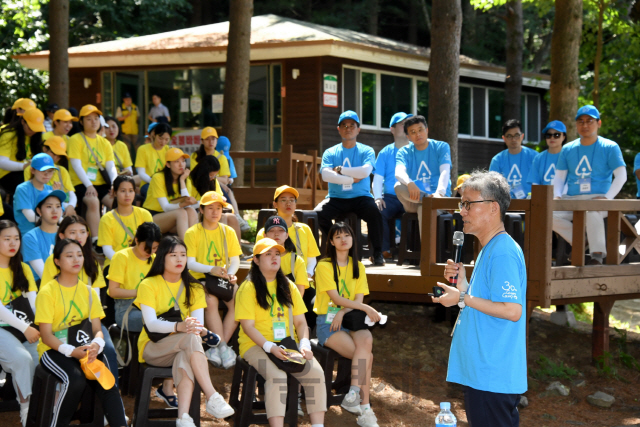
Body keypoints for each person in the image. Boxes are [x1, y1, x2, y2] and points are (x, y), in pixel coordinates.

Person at [432, 171, 527, 427]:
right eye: (461, 204)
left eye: (468, 204)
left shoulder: (503, 252)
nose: (462, 211)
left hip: (492, 375)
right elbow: (481, 303)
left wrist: (462, 296)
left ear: (493, 207)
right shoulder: (490, 248)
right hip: (483, 374)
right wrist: (463, 286)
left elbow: (511, 310)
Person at [135, 236, 235, 426]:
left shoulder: (195, 288)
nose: (180, 259)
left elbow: (197, 326)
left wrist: (193, 329)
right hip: (153, 348)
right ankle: (212, 396)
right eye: (173, 255)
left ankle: (183, 418)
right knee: (190, 338)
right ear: (162, 257)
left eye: (183, 255)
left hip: (184, 347)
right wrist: (178, 326)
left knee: (186, 354)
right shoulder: (148, 284)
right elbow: (151, 324)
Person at [35, 238, 127, 427]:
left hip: (84, 348)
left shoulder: (89, 292)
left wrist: (97, 344)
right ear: (57, 261)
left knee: (106, 380)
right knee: (75, 379)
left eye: (79, 255)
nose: (76, 259)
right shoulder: (47, 292)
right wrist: (70, 351)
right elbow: (45, 335)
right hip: (53, 350)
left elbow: (97, 329)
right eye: (69, 256)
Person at [236, 237, 327, 427]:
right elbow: (248, 327)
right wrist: (269, 347)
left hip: (287, 345)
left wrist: (303, 344)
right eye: (268, 254)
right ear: (256, 260)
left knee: (316, 374)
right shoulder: (248, 287)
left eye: (277, 253)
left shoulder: (288, 285)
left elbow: (301, 322)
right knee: (277, 377)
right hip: (255, 345)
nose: (274, 257)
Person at [38, 216, 121, 386]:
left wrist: (93, 339)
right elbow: (47, 297)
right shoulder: (53, 262)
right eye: (73, 232)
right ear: (62, 235)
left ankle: (110, 399)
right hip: (62, 325)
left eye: (83, 232)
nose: (79, 236)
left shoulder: (92, 263)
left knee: (109, 351)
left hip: (89, 323)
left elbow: (95, 301)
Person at [313, 222, 380, 427]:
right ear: (331, 242)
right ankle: (365, 408)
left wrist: (343, 311)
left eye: (347, 236)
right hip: (328, 322)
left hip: (350, 318)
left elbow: (355, 301)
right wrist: (367, 309)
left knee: (366, 339)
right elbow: (335, 297)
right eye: (338, 237)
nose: (343, 240)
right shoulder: (323, 265)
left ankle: (352, 394)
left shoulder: (358, 266)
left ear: (353, 239)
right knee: (366, 356)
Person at [107, 221, 178, 407]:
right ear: (136, 240)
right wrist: (140, 292)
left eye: (155, 248)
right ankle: (166, 386)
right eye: (147, 247)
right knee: (171, 326)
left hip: (153, 308)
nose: (151, 252)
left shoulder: (155, 259)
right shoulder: (121, 257)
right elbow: (112, 291)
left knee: (177, 325)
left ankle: (167, 384)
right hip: (127, 311)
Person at [552, 105, 627, 265]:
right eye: (581, 121)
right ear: (576, 125)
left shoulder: (610, 147)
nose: (585, 125)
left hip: (599, 199)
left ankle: (597, 256)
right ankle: (581, 242)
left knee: (592, 209)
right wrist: (557, 195)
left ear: (598, 123)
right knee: (548, 215)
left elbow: (621, 176)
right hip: (572, 199)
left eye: (589, 121)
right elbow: (559, 177)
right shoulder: (567, 149)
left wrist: (607, 198)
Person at [314, 110, 385, 266]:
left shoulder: (366, 150)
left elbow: (365, 171)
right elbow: (326, 175)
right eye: (344, 125)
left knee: (375, 213)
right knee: (317, 214)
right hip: (336, 197)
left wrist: (339, 171)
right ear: (338, 129)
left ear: (358, 129)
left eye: (352, 125)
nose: (348, 128)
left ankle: (377, 253)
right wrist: (353, 178)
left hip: (361, 197)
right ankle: (336, 241)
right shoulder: (330, 152)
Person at [184, 191, 242, 369]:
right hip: (200, 279)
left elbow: (235, 260)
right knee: (210, 300)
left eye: (219, 208)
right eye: (210, 208)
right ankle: (223, 346)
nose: (215, 212)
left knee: (239, 300)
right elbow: (190, 263)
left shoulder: (228, 231)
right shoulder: (192, 232)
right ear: (201, 210)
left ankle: (218, 347)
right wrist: (211, 269)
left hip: (222, 279)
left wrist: (231, 274)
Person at [0, 220, 40, 427]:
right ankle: (26, 412)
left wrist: (42, 327)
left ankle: (50, 408)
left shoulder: (23, 268)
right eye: (7, 239)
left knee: (45, 356)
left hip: (25, 328)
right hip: (3, 328)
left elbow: (34, 305)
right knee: (22, 360)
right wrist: (26, 328)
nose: (13, 243)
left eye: (16, 238)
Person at [394, 115, 452, 239]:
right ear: (408, 137)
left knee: (424, 209)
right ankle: (427, 199)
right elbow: (399, 172)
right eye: (413, 132)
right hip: (414, 198)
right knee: (398, 186)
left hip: (439, 198)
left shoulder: (441, 147)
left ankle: (426, 256)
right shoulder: (403, 152)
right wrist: (409, 183)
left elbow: (445, 171)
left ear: (427, 130)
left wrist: (440, 193)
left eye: (420, 129)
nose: (418, 134)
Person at [68, 104, 117, 242]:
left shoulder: (105, 142)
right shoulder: (75, 139)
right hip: (80, 183)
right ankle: (96, 240)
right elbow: (76, 166)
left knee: (117, 201)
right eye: (89, 119)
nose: (94, 121)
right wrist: (89, 185)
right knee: (93, 201)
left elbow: (111, 166)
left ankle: (115, 236)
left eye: (96, 118)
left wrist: (114, 184)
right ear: (81, 122)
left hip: (101, 183)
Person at [257, 185, 320, 278]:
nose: (288, 204)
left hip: (301, 282)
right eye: (283, 200)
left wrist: (308, 274)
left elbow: (311, 258)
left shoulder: (304, 229)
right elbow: (259, 260)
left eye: (291, 200)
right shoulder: (264, 232)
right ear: (275, 204)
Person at [372, 112, 412, 259]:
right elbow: (377, 178)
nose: (406, 126)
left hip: (411, 195)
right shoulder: (385, 152)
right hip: (390, 197)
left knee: (419, 213)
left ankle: (412, 251)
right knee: (377, 210)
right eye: (402, 124)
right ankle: (383, 251)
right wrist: (377, 197)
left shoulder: (416, 150)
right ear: (392, 129)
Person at [143, 147, 199, 240]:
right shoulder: (158, 178)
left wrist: (181, 180)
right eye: (177, 161)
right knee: (181, 212)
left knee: (190, 210)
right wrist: (182, 204)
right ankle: (187, 247)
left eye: (183, 161)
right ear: (168, 164)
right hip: (154, 217)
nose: (181, 164)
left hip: (173, 217)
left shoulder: (185, 179)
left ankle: (196, 243)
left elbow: (187, 202)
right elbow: (165, 207)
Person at [98, 175, 153, 265]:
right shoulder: (107, 219)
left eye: (131, 191)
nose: (127, 195)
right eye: (123, 191)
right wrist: (125, 263)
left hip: (141, 262)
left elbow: (150, 243)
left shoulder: (145, 215)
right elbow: (107, 249)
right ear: (115, 193)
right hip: (116, 263)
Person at [189, 155, 242, 241]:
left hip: (214, 209)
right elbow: (189, 202)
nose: (213, 178)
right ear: (204, 173)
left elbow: (218, 196)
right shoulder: (190, 180)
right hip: (198, 211)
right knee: (223, 218)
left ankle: (238, 252)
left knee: (232, 218)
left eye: (215, 175)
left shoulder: (213, 180)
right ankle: (222, 249)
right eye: (211, 175)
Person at [24, 136, 78, 218]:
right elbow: (34, 196)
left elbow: (71, 193)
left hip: (61, 208)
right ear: (45, 149)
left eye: (59, 155)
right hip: (41, 211)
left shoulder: (62, 170)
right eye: (54, 153)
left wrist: (71, 206)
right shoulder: (30, 169)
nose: (56, 158)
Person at [0, 107, 45, 196]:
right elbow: (1, 162)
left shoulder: (37, 137)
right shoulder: (9, 134)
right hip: (7, 174)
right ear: (23, 122)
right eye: (31, 128)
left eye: (37, 128)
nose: (34, 131)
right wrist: (24, 166)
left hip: (28, 173)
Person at [21, 189, 64, 282]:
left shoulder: (67, 234)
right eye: (49, 206)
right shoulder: (30, 237)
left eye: (58, 206)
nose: (54, 211)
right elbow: (43, 274)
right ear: (39, 211)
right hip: (40, 285)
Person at [489, 119, 537, 199]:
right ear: (504, 138)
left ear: (522, 136)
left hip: (531, 204)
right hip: (506, 205)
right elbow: (493, 187)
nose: (513, 139)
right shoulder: (497, 160)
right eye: (509, 136)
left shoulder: (535, 157)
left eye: (516, 135)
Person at [14, 153, 60, 235]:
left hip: (49, 233)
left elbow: (59, 215)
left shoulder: (51, 189)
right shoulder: (22, 189)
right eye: (43, 171)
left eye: (50, 171)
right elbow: (31, 217)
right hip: (28, 234)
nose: (47, 174)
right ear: (32, 170)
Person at [263, 215, 309, 296]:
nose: (276, 234)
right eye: (272, 230)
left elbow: (299, 293)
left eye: (281, 230)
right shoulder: (258, 259)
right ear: (264, 236)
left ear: (287, 235)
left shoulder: (296, 260)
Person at [527, 120, 568, 188]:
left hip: (565, 197)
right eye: (548, 135)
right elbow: (535, 183)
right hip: (543, 197)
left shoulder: (569, 156)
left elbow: (571, 182)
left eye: (556, 135)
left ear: (563, 137)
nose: (552, 138)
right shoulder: (538, 158)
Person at [135, 122, 172, 197]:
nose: (163, 142)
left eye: (166, 139)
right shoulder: (143, 149)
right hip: (148, 183)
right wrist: (154, 181)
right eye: (160, 138)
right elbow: (141, 173)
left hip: (166, 183)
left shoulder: (169, 150)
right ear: (154, 134)